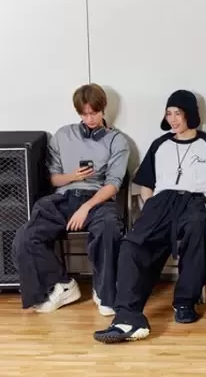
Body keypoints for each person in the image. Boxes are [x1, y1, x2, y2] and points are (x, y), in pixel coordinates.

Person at [93, 90, 206, 343]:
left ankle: (185, 302)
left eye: (178, 113)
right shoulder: (160, 144)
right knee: (132, 244)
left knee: (197, 231)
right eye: (169, 114)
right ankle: (127, 317)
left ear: (191, 114)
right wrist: (149, 204)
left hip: (195, 201)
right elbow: (146, 182)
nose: (173, 119)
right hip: (160, 202)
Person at [13, 84, 129, 316]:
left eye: (94, 113)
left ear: (103, 109)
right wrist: (73, 177)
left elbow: (113, 184)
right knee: (24, 238)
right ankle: (62, 284)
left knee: (109, 227)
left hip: (98, 200)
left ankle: (104, 292)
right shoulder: (63, 135)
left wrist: (86, 207)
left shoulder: (117, 141)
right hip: (63, 198)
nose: (90, 119)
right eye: (84, 114)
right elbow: (54, 179)